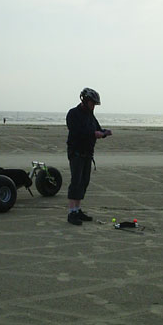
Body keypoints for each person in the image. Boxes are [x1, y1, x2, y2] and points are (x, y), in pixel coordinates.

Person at [66, 87, 112, 225]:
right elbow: (76, 131)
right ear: (85, 101)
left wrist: (104, 133)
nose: (93, 106)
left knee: (84, 182)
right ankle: (71, 212)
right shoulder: (73, 113)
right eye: (92, 103)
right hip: (76, 152)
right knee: (76, 182)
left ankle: (77, 209)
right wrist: (93, 134)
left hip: (87, 153)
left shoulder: (90, 115)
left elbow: (97, 129)